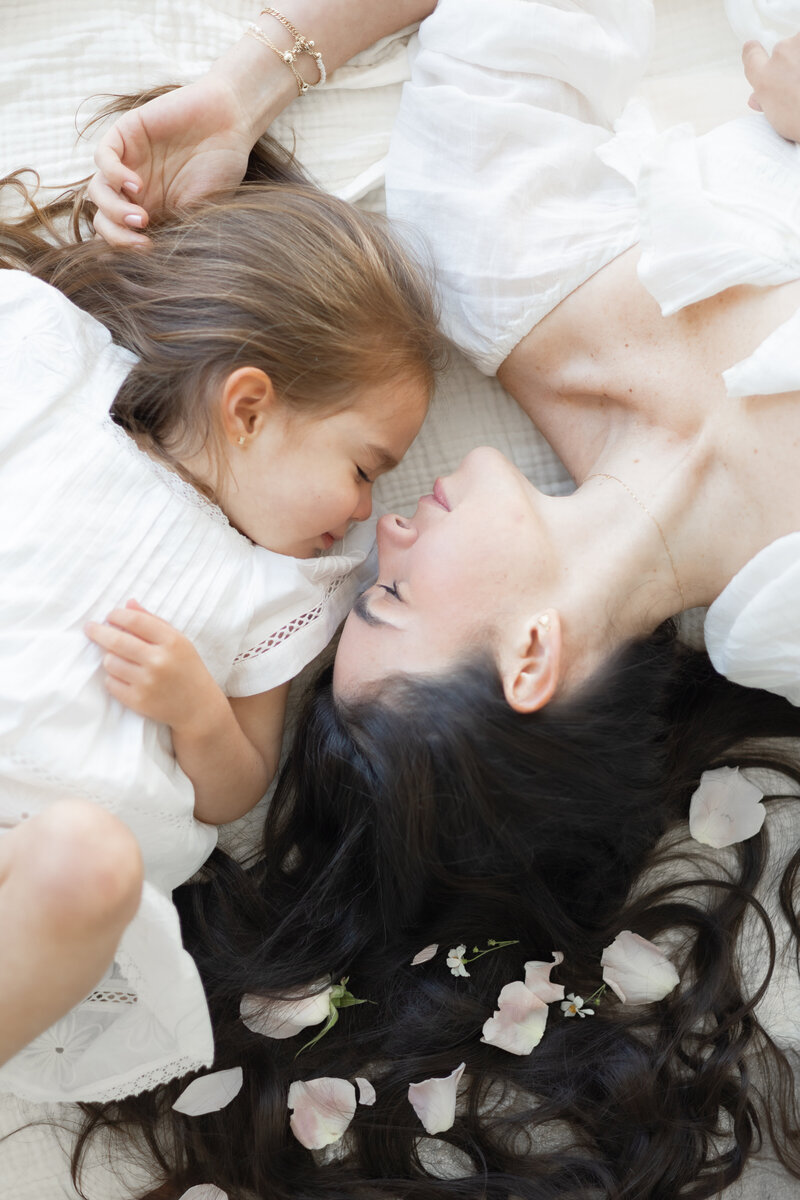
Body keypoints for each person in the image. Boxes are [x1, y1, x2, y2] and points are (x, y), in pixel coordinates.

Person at [0, 139, 442, 1104]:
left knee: (93, 863)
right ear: (248, 408)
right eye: (364, 466)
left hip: (30, 860)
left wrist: (195, 708)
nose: (367, 510)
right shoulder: (58, 390)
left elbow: (232, 791)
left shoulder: (275, 591)